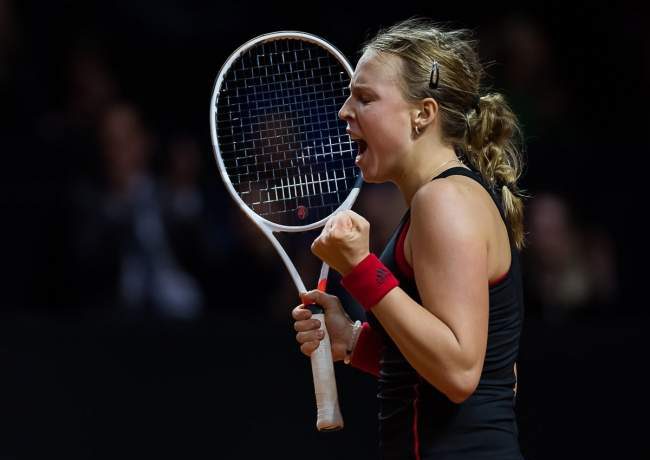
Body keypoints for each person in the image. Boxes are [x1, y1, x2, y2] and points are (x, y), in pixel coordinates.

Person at [292, 18, 526, 459]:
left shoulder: (443, 201)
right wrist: (353, 341)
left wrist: (361, 269)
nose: (344, 112)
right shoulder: (443, 198)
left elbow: (459, 372)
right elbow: (481, 375)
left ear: (423, 114)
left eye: (365, 98)